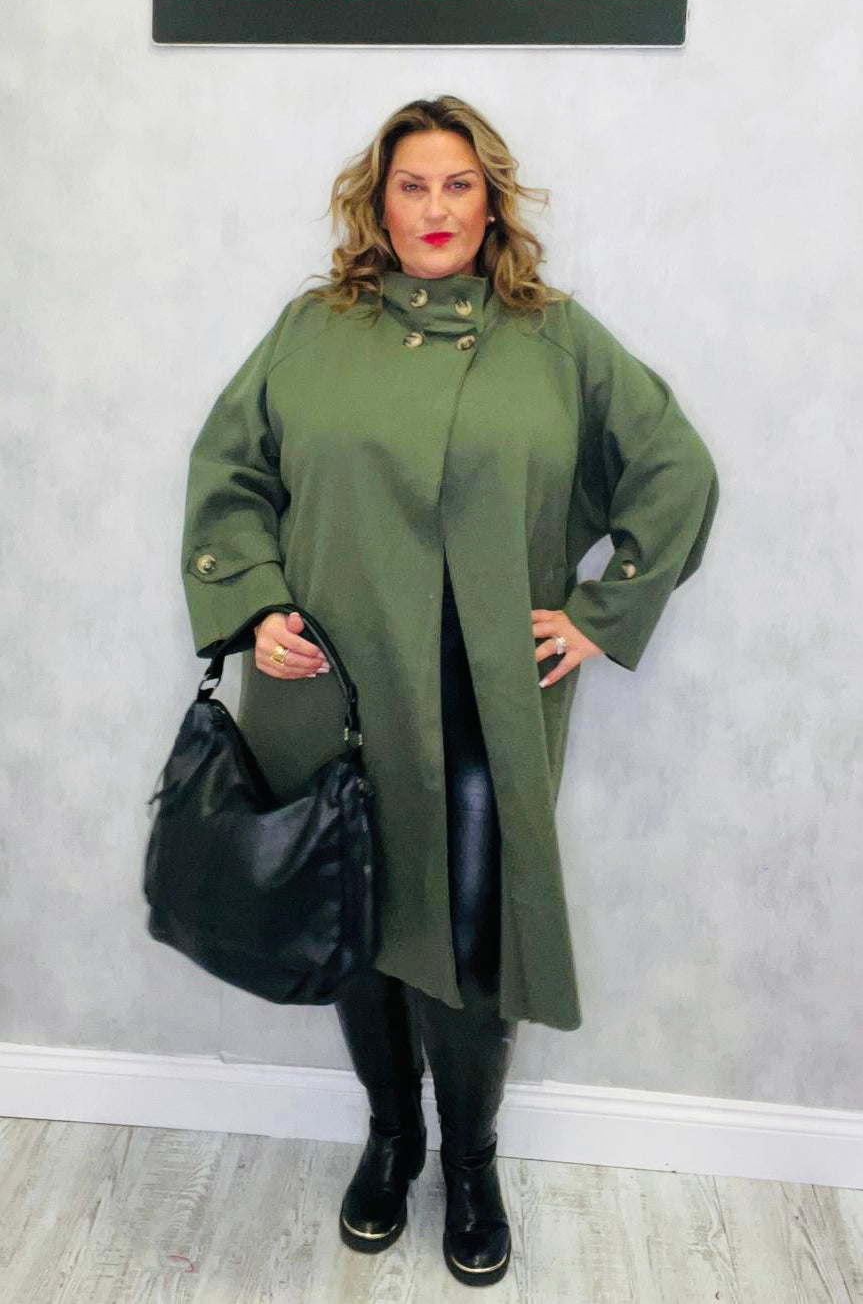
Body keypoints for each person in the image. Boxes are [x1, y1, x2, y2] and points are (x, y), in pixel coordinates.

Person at [180, 94, 720, 1287]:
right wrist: (255, 605)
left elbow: (674, 470)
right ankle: (392, 1138)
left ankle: (469, 1162)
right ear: (377, 205)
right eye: (411, 186)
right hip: (329, 687)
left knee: (471, 937)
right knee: (355, 915)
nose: (434, 208)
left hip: (480, 699)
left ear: (491, 201)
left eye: (458, 185)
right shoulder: (312, 330)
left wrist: (599, 613)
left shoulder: (553, 337)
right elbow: (231, 475)